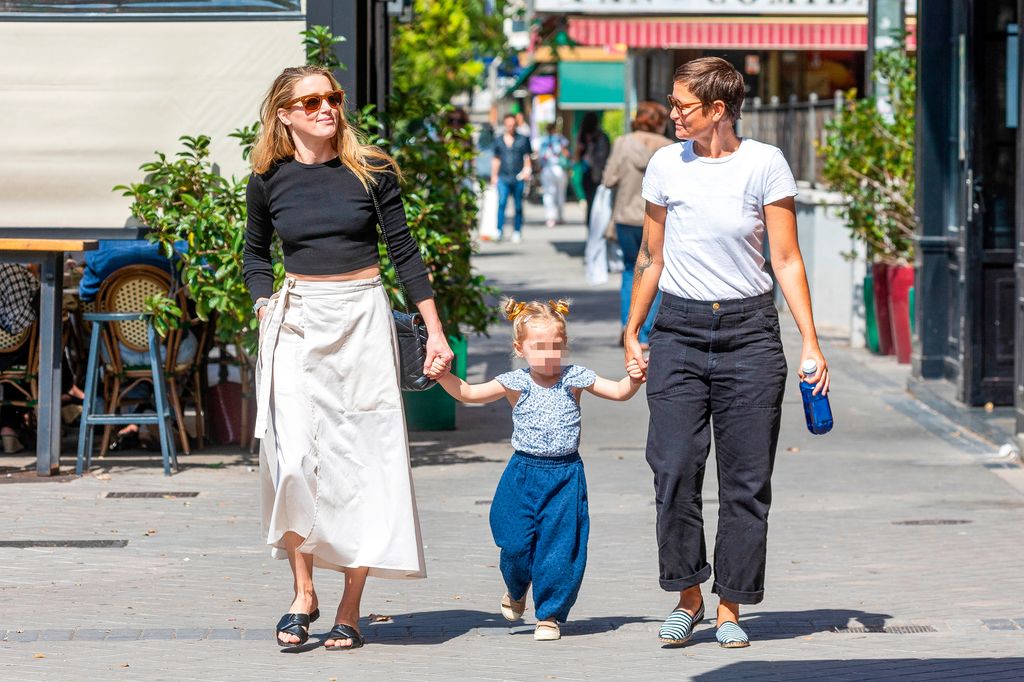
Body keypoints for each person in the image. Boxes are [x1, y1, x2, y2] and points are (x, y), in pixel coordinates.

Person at [243, 65, 454, 652]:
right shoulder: (267, 177)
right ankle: (302, 590)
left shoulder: (373, 170)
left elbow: (405, 253)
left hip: (362, 315)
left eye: (332, 98)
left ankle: (350, 606)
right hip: (295, 318)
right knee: (291, 460)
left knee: (362, 463)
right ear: (284, 114)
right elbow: (254, 255)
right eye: (310, 102)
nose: (325, 109)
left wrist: (434, 331)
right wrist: (264, 304)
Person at [624, 57, 830, 649]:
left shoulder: (764, 163)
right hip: (679, 333)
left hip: (749, 336)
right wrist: (633, 328)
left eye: (683, 106)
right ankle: (687, 595)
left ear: (718, 110)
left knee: (746, 481)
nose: (674, 114)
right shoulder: (666, 164)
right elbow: (651, 256)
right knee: (673, 468)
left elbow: (786, 260)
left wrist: (811, 344)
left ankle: (730, 607)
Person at [436, 298, 645, 641]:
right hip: (522, 474)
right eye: (539, 347)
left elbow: (619, 392)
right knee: (514, 544)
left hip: (565, 476)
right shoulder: (514, 382)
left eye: (556, 347)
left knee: (561, 547)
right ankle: (516, 589)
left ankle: (548, 614)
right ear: (520, 348)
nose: (549, 355)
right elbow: (470, 393)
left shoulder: (575, 378)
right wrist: (445, 376)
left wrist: (634, 378)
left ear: (564, 346)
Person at [601, 102, 674, 348]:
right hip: (658, 220)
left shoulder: (623, 142)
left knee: (631, 271)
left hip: (625, 217)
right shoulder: (670, 149)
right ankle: (646, 332)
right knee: (657, 270)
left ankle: (628, 328)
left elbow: (609, 179)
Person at [491, 113, 533, 243]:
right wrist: (494, 176)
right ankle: (499, 230)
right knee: (502, 203)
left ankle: (517, 231)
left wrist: (527, 171)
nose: (510, 127)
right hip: (503, 176)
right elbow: (496, 159)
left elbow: (527, 157)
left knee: (518, 205)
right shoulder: (498, 140)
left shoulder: (523, 139)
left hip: (518, 176)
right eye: (508, 125)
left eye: (513, 125)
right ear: (504, 125)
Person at [575, 112, 610, 228]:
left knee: (592, 202)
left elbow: (578, 157)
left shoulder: (594, 137)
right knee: (594, 202)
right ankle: (592, 227)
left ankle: (592, 227)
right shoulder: (600, 137)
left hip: (589, 172)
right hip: (594, 173)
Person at [537, 123, 570, 228]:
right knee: (561, 193)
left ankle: (550, 218)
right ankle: (560, 216)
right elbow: (567, 154)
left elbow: (540, 157)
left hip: (547, 169)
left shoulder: (543, 141)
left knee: (549, 193)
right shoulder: (561, 140)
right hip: (559, 169)